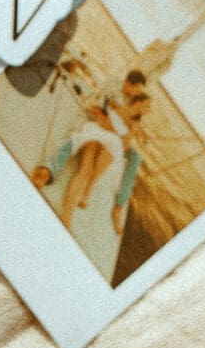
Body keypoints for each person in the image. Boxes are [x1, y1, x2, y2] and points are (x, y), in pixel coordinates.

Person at [33, 72, 152, 234]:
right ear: (128, 83)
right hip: (99, 127)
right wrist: (117, 123)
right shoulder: (114, 88)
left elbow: (126, 132)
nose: (137, 95)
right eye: (136, 90)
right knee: (85, 167)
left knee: (129, 158)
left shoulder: (134, 106)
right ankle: (54, 182)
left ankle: (115, 204)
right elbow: (98, 110)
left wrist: (131, 128)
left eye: (139, 93)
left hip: (112, 138)